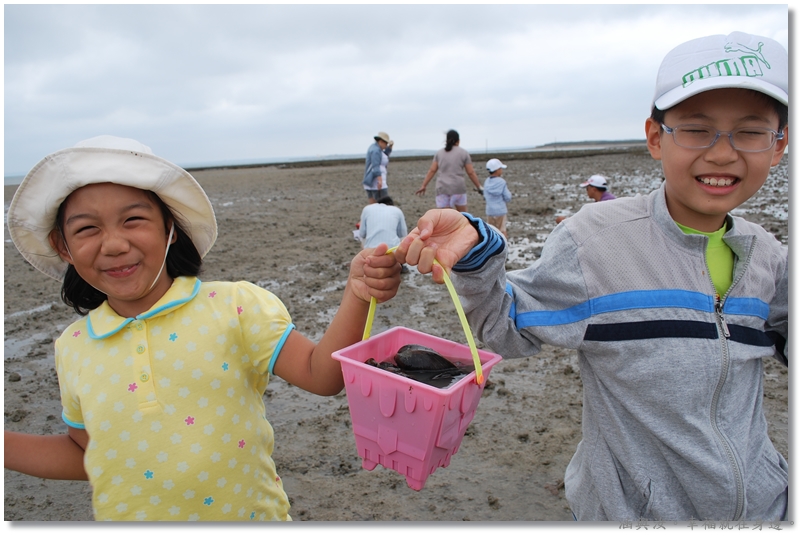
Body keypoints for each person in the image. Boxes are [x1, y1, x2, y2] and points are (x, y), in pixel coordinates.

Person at [395, 31, 788, 521]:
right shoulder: (596, 243)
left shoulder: (769, 256)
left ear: (778, 146)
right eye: (695, 128)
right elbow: (505, 327)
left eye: (750, 132)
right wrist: (478, 251)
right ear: (654, 138)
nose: (723, 153)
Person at [4, 135, 401, 521]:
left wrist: (358, 291)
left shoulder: (234, 307)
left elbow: (322, 374)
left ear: (170, 228)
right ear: (63, 246)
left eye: (133, 220)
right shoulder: (72, 347)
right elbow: (90, 453)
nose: (113, 244)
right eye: (87, 229)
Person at [415, 129, 484, 212]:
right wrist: (479, 187)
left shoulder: (439, 153)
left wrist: (424, 185)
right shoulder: (464, 153)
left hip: (442, 188)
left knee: (444, 218)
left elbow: (432, 170)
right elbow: (471, 172)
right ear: (458, 141)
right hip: (458, 188)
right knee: (463, 217)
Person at [358, 195, 410, 273]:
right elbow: (403, 234)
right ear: (391, 204)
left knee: (362, 239)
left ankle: (366, 259)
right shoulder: (397, 210)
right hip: (392, 253)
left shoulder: (367, 209)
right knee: (403, 239)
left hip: (371, 252)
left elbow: (362, 233)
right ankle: (400, 264)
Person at [483, 158, 513, 238]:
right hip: (500, 211)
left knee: (491, 231)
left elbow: (485, 195)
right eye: (500, 168)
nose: (501, 170)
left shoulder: (487, 182)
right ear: (497, 170)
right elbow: (507, 197)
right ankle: (504, 247)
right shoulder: (502, 182)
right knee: (502, 231)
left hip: (490, 211)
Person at [363, 131, 393, 203]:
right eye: (386, 143)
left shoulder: (376, 148)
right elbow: (375, 166)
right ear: (380, 141)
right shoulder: (375, 150)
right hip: (375, 181)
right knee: (383, 203)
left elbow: (383, 156)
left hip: (372, 180)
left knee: (374, 204)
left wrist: (389, 148)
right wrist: (380, 180)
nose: (386, 145)